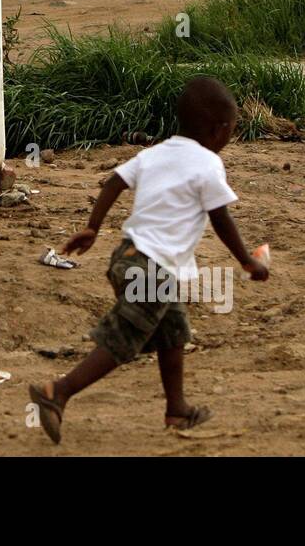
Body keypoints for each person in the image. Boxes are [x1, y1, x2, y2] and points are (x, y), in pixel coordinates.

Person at [28, 76, 269, 444]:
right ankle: (57, 391)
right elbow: (221, 218)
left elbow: (115, 181)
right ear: (219, 130)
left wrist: (93, 227)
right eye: (232, 130)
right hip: (152, 270)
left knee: (172, 333)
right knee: (124, 338)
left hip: (128, 257)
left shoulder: (154, 153)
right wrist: (247, 262)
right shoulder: (208, 164)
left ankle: (177, 410)